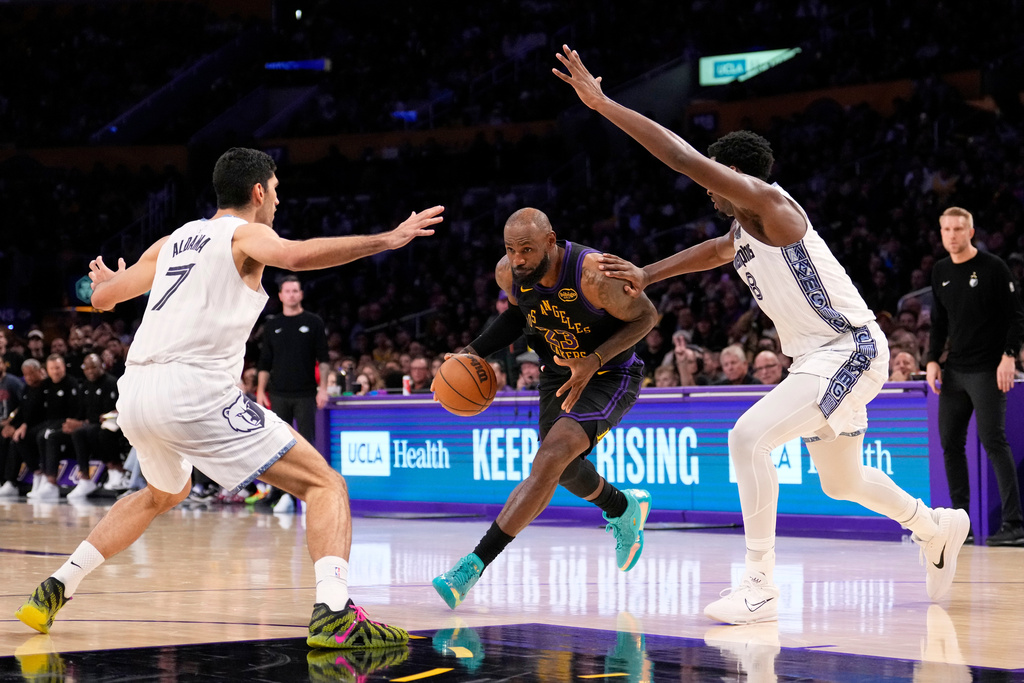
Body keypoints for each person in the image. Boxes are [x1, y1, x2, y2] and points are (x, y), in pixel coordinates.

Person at [553, 45, 970, 624]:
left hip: (849, 349)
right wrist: (649, 273)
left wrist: (603, 104)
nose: (708, 191)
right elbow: (716, 251)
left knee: (748, 438)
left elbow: (679, 156)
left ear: (735, 177)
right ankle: (935, 526)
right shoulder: (743, 230)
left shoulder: (769, 204)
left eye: (714, 182)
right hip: (818, 361)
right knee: (841, 480)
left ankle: (760, 584)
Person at [15, 147, 443, 650]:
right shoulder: (247, 233)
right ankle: (334, 613)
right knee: (326, 485)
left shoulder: (173, 240)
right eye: (277, 191)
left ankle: (56, 585)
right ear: (258, 191)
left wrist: (107, 281)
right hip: (193, 391)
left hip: (135, 391)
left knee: (162, 494)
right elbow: (298, 257)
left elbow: (103, 298)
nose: (278, 202)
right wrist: (386, 240)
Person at [431, 207, 658, 609]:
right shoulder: (509, 274)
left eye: (527, 250)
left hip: (610, 372)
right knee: (564, 468)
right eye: (511, 249)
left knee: (550, 458)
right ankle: (624, 508)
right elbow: (518, 317)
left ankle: (471, 566)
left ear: (551, 242)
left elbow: (646, 316)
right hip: (557, 373)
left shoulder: (594, 276)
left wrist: (596, 360)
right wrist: (469, 353)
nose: (518, 259)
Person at [927, 207, 1024, 547]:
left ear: (971, 232)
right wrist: (932, 361)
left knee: (992, 440)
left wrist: (1008, 356)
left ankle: (1014, 524)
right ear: (941, 233)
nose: (951, 235)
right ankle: (960, 525)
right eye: (946, 229)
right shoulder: (940, 271)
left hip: (988, 368)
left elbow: (1016, 317)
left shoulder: (993, 267)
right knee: (950, 444)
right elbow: (939, 323)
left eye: (958, 229)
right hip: (954, 369)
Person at [256, 275, 331, 512]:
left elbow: (325, 359)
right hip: (278, 393)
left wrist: (324, 388)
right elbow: (264, 362)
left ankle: (309, 494)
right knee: (280, 446)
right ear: (280, 296)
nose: (291, 295)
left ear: (301, 294)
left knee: (307, 446)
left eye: (295, 291)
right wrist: (260, 391)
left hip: (306, 393)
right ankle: (283, 494)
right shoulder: (271, 325)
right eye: (287, 291)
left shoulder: (314, 321)